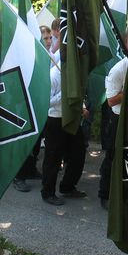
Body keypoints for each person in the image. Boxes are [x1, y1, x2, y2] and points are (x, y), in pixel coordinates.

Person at [98, 32, 128, 209]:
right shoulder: (119, 69)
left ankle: (127, 193)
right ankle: (104, 194)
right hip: (118, 119)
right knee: (113, 157)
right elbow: (111, 101)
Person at [40, 64, 89, 205]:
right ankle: (47, 192)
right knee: (53, 157)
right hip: (55, 120)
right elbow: (46, 102)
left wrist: (82, 107)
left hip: (72, 118)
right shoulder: (53, 75)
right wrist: (65, 93)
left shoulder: (76, 71)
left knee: (78, 153)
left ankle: (67, 186)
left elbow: (78, 92)